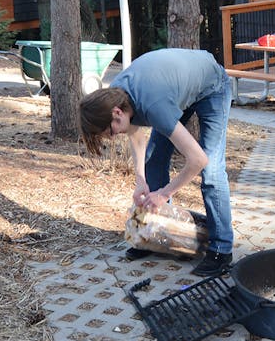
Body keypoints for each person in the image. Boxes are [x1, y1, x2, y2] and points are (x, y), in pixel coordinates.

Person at [80, 48, 234, 277]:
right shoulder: (119, 95)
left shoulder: (153, 105)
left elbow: (198, 159)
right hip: (176, 89)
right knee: (153, 162)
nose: (113, 137)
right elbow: (136, 135)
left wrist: (163, 194)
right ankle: (159, 235)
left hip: (212, 86)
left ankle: (222, 250)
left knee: (211, 171)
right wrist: (140, 181)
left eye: (110, 132)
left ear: (116, 113)